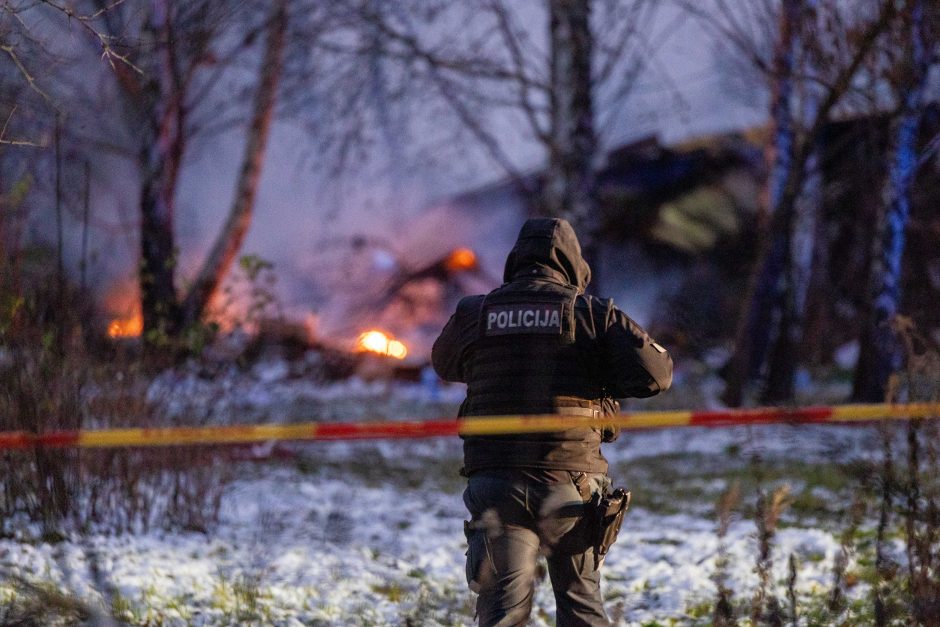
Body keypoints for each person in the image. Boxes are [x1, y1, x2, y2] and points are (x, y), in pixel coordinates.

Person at [432, 217, 673, 626]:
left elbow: (444, 363)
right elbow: (657, 374)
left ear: (516, 261)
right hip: (571, 486)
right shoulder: (594, 315)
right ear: (573, 263)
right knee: (581, 607)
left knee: (502, 614)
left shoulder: (479, 312)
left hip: (497, 484)